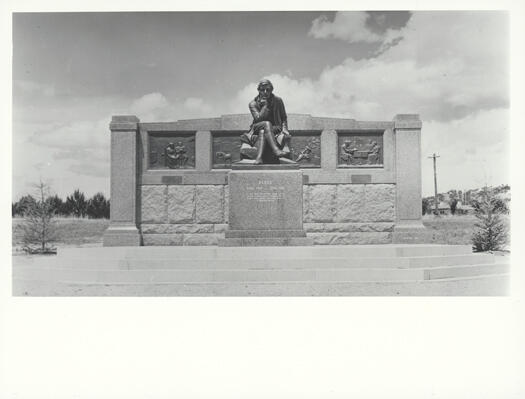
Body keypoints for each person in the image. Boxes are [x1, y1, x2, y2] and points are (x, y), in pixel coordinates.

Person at [241, 79, 293, 164]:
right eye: (262, 90)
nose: (265, 92)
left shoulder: (278, 100)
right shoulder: (252, 104)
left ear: (271, 90)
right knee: (266, 124)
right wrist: (265, 106)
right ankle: (276, 150)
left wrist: (285, 129)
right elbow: (258, 119)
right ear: (259, 90)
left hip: (275, 128)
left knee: (263, 132)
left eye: (268, 90)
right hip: (257, 127)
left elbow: (283, 117)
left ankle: (259, 158)